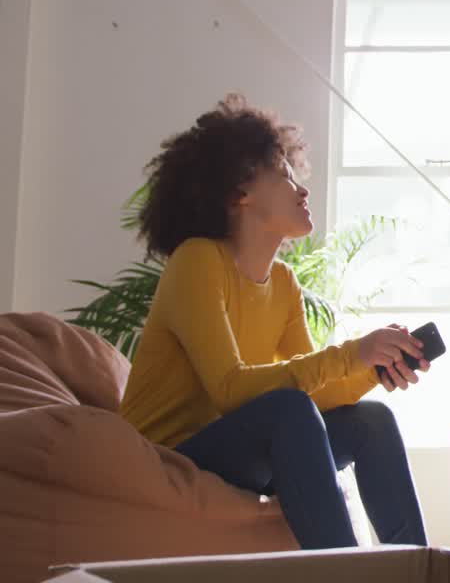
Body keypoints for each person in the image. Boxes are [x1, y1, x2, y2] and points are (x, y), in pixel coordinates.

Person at [119, 94, 429, 549]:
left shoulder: (283, 283)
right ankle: (344, 575)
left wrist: (373, 367)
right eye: (283, 174)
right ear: (238, 193)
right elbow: (230, 388)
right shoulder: (197, 262)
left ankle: (418, 571)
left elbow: (316, 395)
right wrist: (351, 353)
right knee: (288, 411)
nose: (301, 189)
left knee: (372, 420)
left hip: (239, 451)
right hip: (167, 457)